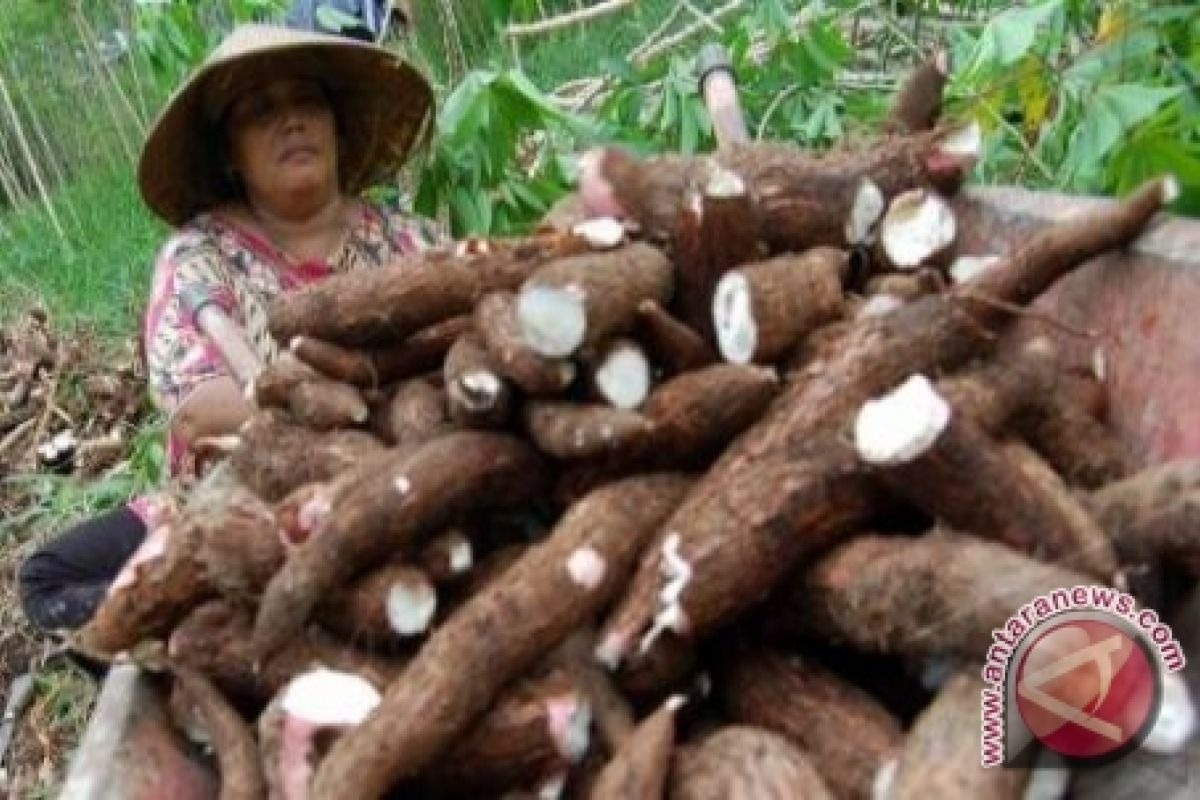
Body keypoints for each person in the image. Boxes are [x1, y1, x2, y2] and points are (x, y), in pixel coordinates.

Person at [18, 23, 446, 633]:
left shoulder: (411, 239)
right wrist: (352, 432)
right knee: (47, 579)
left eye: (307, 101)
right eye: (259, 111)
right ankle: (192, 612)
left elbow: (472, 342)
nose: (291, 120)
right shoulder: (199, 256)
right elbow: (199, 410)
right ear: (228, 152)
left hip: (422, 470)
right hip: (234, 500)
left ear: (335, 123)